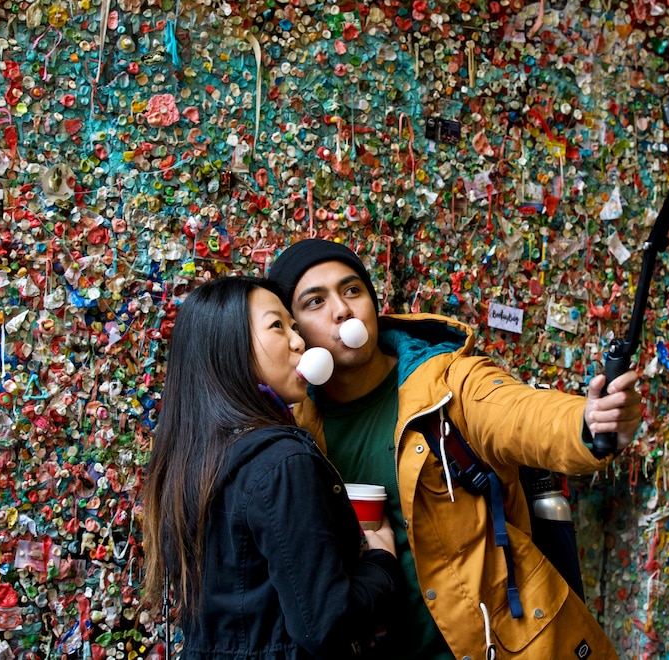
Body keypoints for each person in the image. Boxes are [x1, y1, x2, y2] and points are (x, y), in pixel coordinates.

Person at [268, 239, 643, 660]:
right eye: (315, 301)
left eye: (352, 290)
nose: (342, 309)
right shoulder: (293, 428)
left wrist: (588, 422)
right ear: (294, 330)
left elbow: (518, 412)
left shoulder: (448, 383)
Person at [141, 275, 404, 660]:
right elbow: (326, 626)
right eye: (278, 326)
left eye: (295, 327)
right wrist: (383, 564)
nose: (300, 342)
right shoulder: (282, 461)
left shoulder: (189, 460)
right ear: (229, 348)